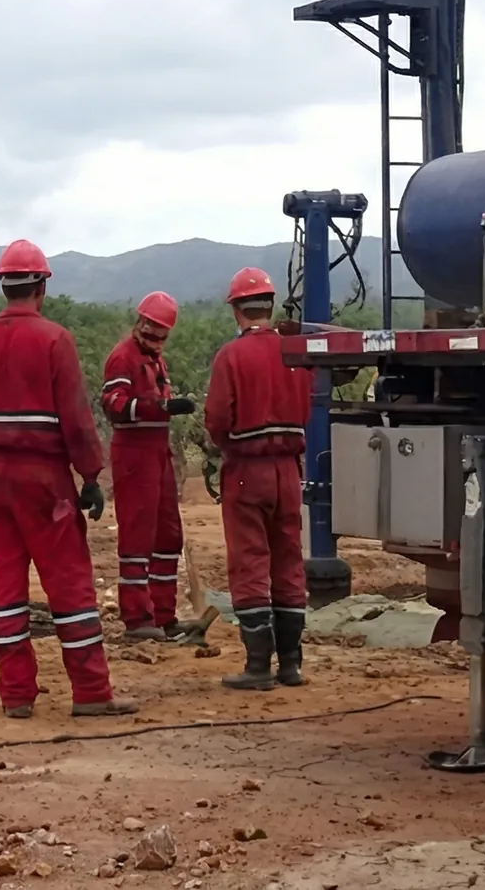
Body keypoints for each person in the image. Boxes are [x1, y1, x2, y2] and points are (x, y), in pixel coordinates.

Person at [0, 239, 140, 718]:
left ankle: (16, 696)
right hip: (45, 482)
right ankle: (91, 693)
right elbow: (75, 416)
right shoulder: (56, 340)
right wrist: (91, 475)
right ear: (41, 286)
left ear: (4, 285)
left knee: (5, 590)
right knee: (70, 585)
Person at [203, 266, 311, 690]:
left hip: (247, 470)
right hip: (288, 470)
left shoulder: (230, 357)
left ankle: (258, 667)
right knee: (287, 560)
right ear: (270, 305)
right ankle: (290, 665)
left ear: (237, 311)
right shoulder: (293, 351)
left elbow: (217, 419)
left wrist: (224, 445)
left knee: (250, 561)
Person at [100, 291, 198, 641]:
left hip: (158, 454)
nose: (155, 336)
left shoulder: (155, 359)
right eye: (150, 327)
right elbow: (113, 404)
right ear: (139, 321)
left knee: (167, 536)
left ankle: (163, 614)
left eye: (161, 332)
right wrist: (160, 407)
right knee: (138, 536)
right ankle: (137, 618)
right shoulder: (123, 357)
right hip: (134, 453)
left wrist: (166, 406)